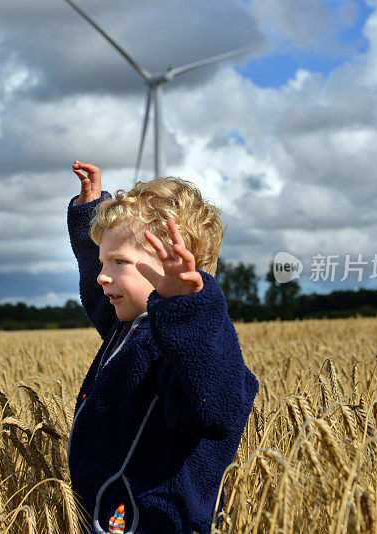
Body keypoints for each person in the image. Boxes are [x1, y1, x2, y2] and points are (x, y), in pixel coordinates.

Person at [66, 161, 259, 534]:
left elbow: (214, 409)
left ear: (174, 270)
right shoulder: (131, 328)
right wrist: (90, 211)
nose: (102, 274)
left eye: (119, 261)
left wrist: (187, 306)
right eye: (102, 260)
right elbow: (100, 292)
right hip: (109, 518)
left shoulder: (189, 343)